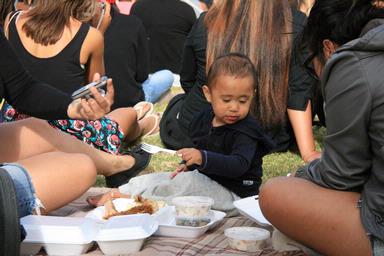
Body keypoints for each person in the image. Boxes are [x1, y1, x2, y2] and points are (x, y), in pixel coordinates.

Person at [259, 0, 384, 255]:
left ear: (327, 47)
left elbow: (341, 176)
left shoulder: (351, 62)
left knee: (273, 193)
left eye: (312, 68)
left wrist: (305, 172)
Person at [87, 54, 274, 213]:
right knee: (165, 178)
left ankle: (128, 200)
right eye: (226, 100)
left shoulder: (246, 130)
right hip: (207, 178)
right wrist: (190, 164)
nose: (234, 107)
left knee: (182, 196)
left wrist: (203, 158)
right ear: (208, 94)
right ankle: (122, 189)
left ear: (253, 94)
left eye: (243, 100)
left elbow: (238, 165)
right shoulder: (205, 118)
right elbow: (202, 148)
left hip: (234, 193)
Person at [2, 0, 160, 187]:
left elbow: (20, 86)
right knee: (128, 113)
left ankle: (144, 121)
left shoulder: (11, 21)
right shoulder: (90, 36)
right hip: (68, 127)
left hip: (16, 121)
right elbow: (95, 88)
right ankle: (145, 124)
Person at [160, 0, 319, 163]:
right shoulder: (297, 24)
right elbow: (299, 95)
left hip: (195, 132)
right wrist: (308, 151)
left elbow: (188, 80)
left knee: (178, 102)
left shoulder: (207, 21)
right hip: (265, 136)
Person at [0, 30, 114, 255]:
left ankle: (116, 164)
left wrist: (73, 107)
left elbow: (21, 87)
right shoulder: (91, 35)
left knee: (36, 129)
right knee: (80, 167)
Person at [94, 0, 174, 106]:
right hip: (130, 100)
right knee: (167, 76)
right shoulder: (133, 23)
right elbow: (142, 75)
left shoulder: (78, 29)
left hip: (94, 99)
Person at [130, 0, 196, 74]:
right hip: (178, 74)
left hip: (146, 74)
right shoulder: (186, 10)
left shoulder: (138, 7)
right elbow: (194, 44)